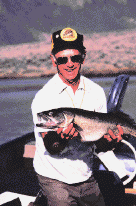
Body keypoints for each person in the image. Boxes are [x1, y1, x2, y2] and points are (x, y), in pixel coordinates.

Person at [31, 27, 123, 206]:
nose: (69, 63)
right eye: (62, 59)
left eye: (75, 57)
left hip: (87, 176)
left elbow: (100, 144)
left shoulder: (96, 92)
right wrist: (61, 138)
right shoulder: (44, 98)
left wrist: (112, 140)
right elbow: (52, 146)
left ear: (84, 56)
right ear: (53, 60)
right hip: (54, 179)